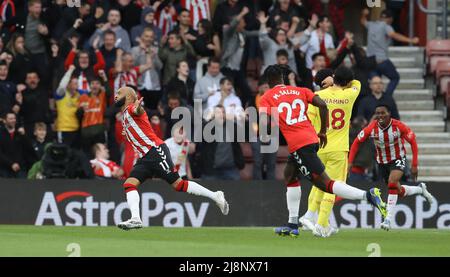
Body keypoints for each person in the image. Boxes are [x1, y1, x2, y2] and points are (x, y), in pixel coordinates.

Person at [258, 65, 386, 237]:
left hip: (301, 143)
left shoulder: (267, 97)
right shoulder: (299, 91)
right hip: (315, 140)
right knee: (290, 175)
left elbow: (265, 124)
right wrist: (323, 131)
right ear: (283, 78)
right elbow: (322, 106)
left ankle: (368, 196)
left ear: (268, 81)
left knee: (326, 184)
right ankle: (293, 224)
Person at [113, 86, 229, 230]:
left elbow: (139, 111)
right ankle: (136, 218)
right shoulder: (125, 115)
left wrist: (138, 108)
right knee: (129, 184)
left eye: (119, 93)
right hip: (144, 157)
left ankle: (215, 195)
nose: (116, 95)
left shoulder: (132, 109)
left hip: (155, 152)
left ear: (129, 97)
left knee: (178, 184)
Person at [349, 104, 434, 231]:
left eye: (383, 113)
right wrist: (350, 162)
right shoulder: (371, 128)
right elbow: (356, 142)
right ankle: (420, 190)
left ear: (389, 113)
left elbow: (413, 142)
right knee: (398, 191)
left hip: (398, 159)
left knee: (392, 183)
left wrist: (415, 164)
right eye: (377, 113)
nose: (380, 116)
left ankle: (388, 219)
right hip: (382, 163)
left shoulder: (399, 126)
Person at [297, 67, 360, 237]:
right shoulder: (349, 94)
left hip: (319, 146)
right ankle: (321, 224)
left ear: (333, 78)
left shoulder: (318, 96)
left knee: (319, 183)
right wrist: (336, 80)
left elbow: (309, 120)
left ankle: (309, 216)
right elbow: (357, 83)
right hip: (338, 149)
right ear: (345, 82)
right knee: (334, 187)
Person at [360, 9, 419, 96]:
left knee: (375, 82)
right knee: (395, 78)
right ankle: (386, 97)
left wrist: (364, 14)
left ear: (380, 17)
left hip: (370, 62)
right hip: (382, 61)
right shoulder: (386, 26)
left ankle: (373, 100)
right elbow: (393, 35)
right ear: (390, 19)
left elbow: (363, 21)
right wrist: (411, 40)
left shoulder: (372, 24)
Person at [77, 71, 111, 153]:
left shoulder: (102, 96)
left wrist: (104, 77)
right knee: (87, 155)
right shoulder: (83, 97)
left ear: (100, 86)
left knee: (100, 153)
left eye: (97, 84)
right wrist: (81, 109)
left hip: (99, 130)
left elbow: (109, 92)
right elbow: (78, 115)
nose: (95, 86)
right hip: (86, 131)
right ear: (89, 85)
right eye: (93, 83)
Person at [0, 112, 36, 178]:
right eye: (10, 119)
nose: (13, 120)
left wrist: (24, 135)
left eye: (14, 118)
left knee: (23, 187)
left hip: (20, 168)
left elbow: (30, 150)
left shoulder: (20, 133)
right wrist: (11, 164)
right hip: (4, 169)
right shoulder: (1, 134)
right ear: (4, 121)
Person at [54, 65, 81, 148]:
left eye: (77, 83)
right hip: (63, 129)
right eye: (74, 83)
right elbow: (62, 85)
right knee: (64, 153)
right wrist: (70, 71)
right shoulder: (61, 94)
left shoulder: (79, 95)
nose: (76, 85)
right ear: (68, 84)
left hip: (76, 130)